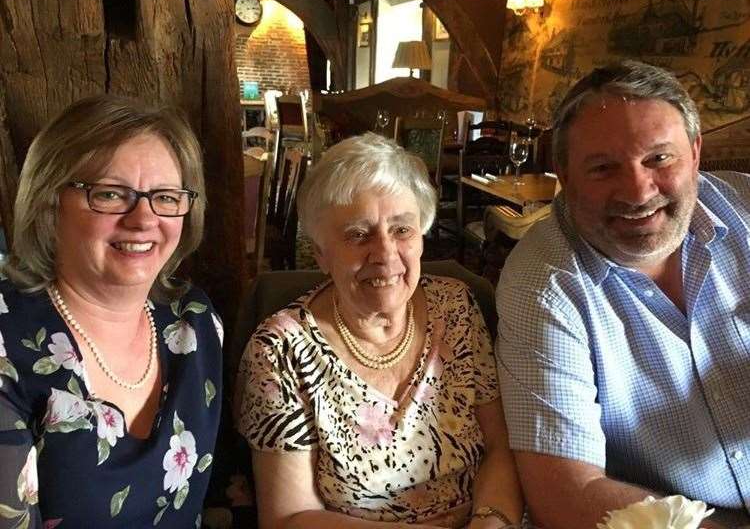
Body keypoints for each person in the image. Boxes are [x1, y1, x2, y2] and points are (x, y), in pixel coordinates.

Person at [496, 60, 750, 529]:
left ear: (695, 153)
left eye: (659, 158)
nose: (637, 191)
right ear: (564, 173)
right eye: (603, 167)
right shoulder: (543, 282)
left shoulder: (745, 211)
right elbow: (567, 492)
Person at [234, 133, 523, 529]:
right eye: (358, 234)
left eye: (402, 230)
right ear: (321, 254)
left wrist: (492, 522)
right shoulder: (280, 351)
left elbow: (498, 448)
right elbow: (289, 518)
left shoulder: (457, 307)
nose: (386, 254)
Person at [0, 95, 223, 527]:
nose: (143, 219)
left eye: (165, 196)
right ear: (50, 204)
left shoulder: (192, 322)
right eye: (109, 194)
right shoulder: (7, 343)